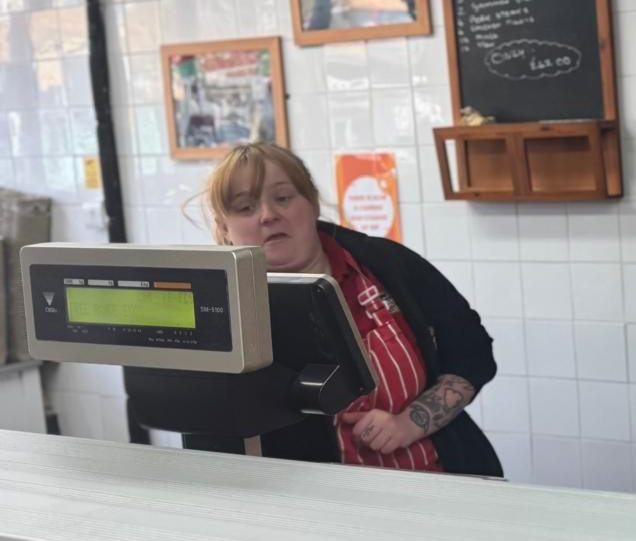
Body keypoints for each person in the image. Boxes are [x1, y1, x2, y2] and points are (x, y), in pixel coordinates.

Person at [191, 143, 503, 476]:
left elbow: (473, 351)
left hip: (438, 480)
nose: (268, 215)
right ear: (224, 228)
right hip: (307, 501)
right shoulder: (218, 308)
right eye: (245, 206)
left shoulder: (386, 265)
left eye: (283, 198)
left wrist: (410, 422)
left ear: (311, 203)